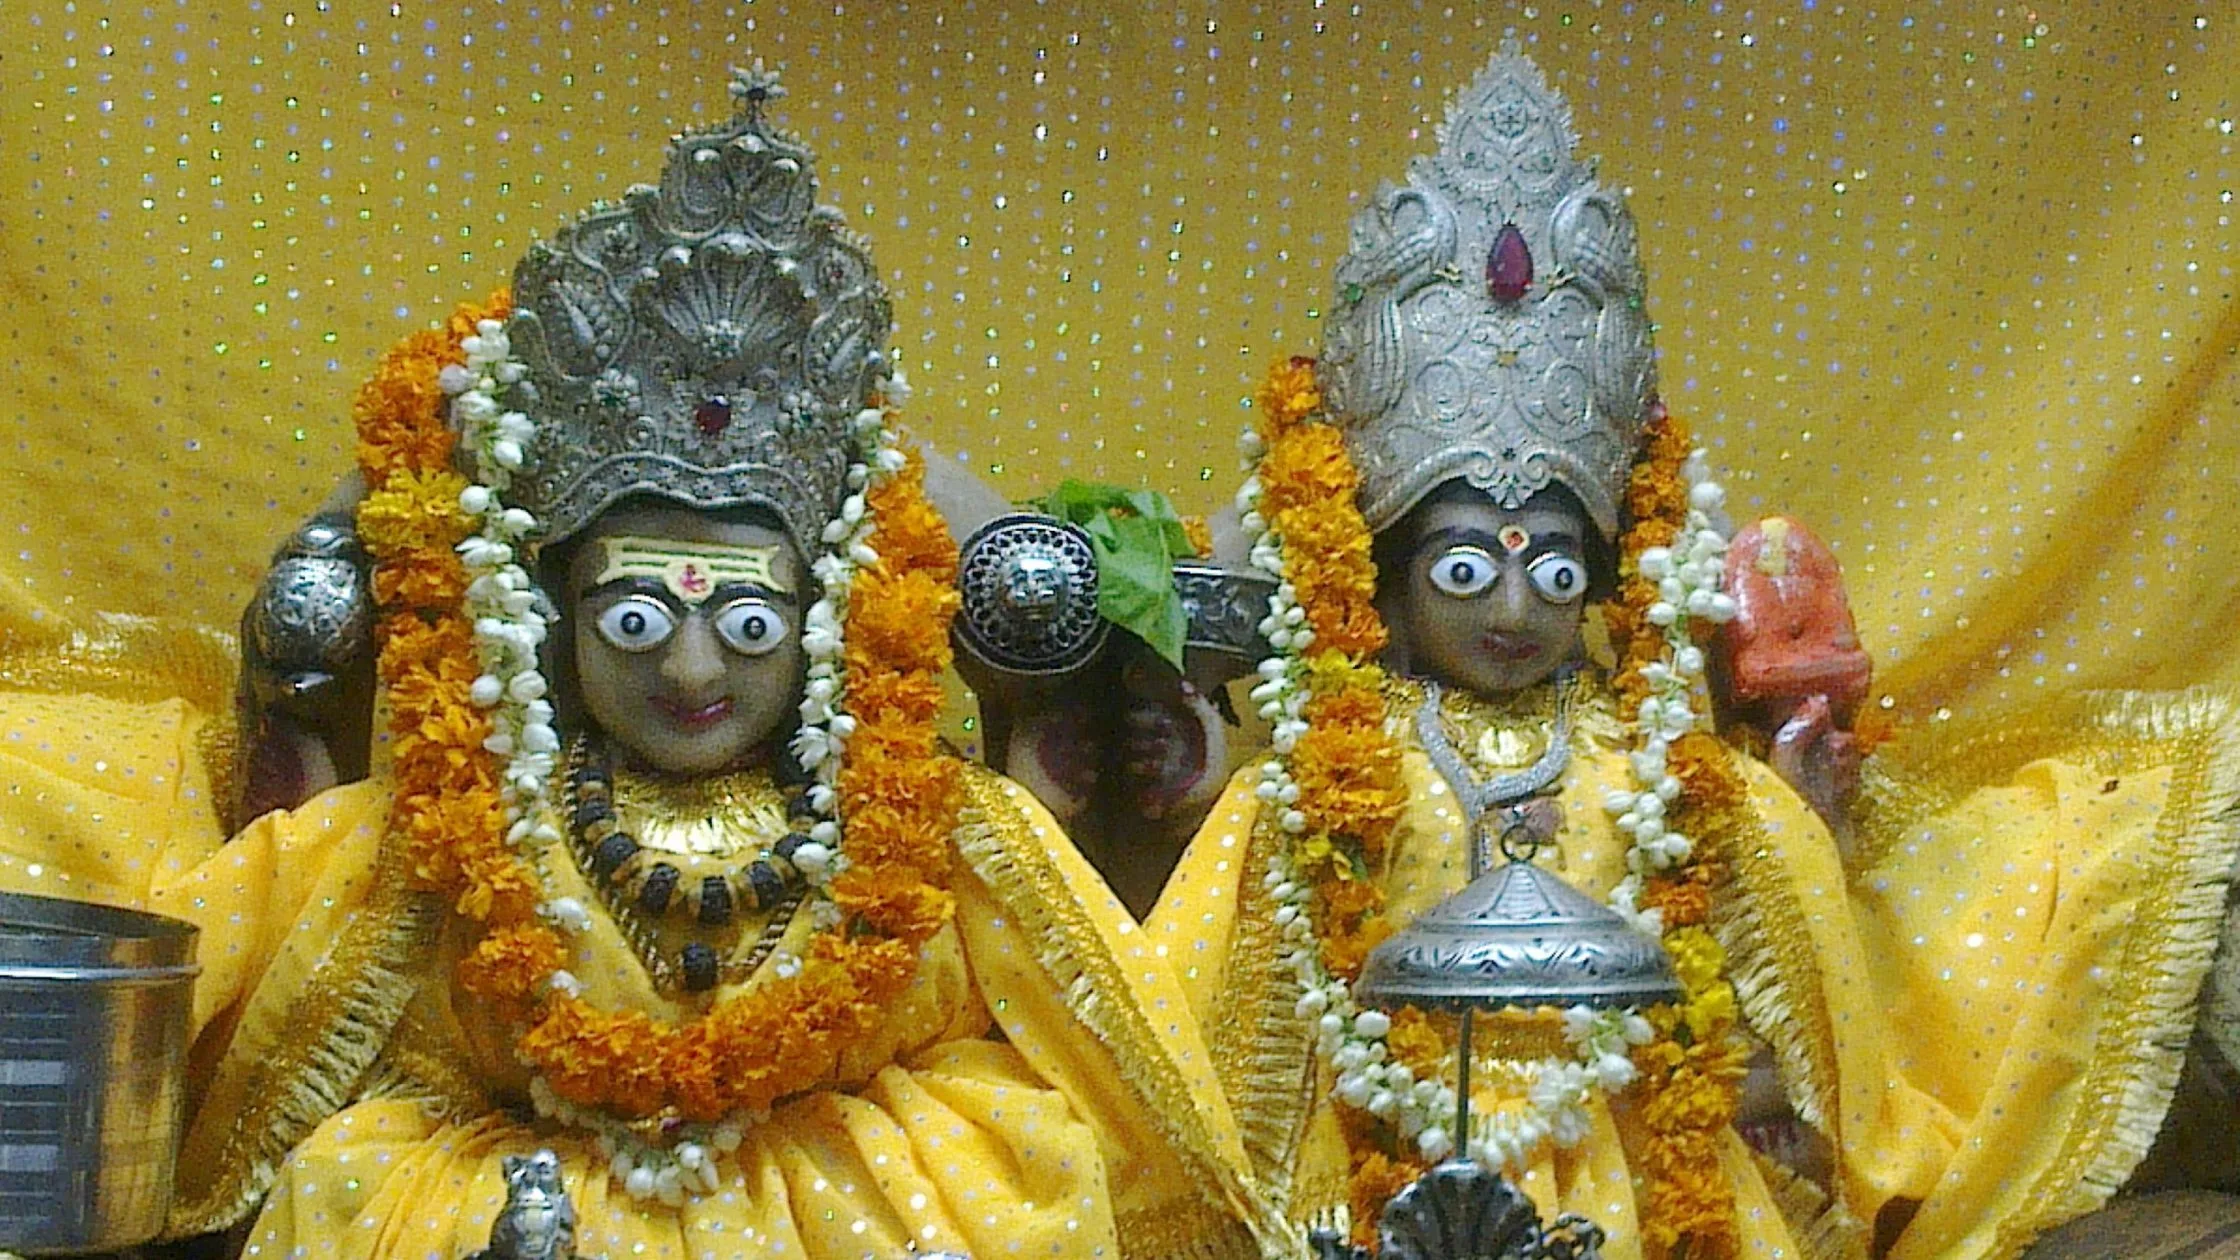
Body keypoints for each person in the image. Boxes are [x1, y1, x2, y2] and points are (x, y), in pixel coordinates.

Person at [0, 64, 1279, 1260]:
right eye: (632, 617)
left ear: (827, 622)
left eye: (746, 622)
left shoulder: (946, 840)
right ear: (549, 617)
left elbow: (1101, 1059)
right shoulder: (453, 834)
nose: (685, 664)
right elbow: (285, 1030)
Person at [1142, 45, 2240, 1260]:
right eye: (1465, 566)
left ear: (1604, 585)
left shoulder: (1647, 762)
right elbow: (1208, 1032)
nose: (1513, 603)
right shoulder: (1311, 775)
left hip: (1635, 1150)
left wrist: (1801, 828)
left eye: (1552, 569)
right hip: (1360, 1152)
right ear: (1389, 588)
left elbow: (1770, 1001)